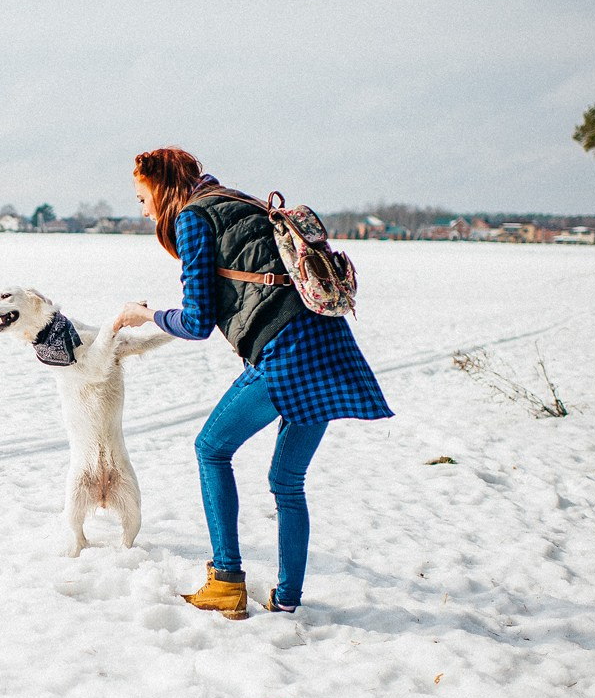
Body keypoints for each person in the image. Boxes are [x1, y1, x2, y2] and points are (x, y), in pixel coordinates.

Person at [113, 147, 392, 620]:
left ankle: (225, 581)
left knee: (210, 448)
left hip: (286, 353)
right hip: (329, 344)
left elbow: (198, 320)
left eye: (142, 197)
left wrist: (148, 315)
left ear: (160, 187)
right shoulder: (237, 201)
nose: (141, 209)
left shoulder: (194, 218)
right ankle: (286, 600)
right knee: (288, 481)